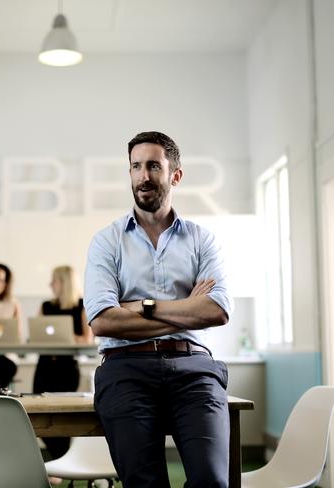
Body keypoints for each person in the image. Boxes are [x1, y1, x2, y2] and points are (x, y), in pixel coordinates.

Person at [84, 131, 233, 488]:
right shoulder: (107, 241)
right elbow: (103, 321)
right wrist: (186, 309)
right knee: (144, 484)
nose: (143, 176)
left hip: (193, 368)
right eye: (135, 166)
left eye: (153, 165)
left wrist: (142, 308)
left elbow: (216, 312)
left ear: (175, 175)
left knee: (213, 481)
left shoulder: (201, 239)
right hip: (125, 370)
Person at [33, 265, 93, 460]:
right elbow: (35, 335)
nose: (50, 284)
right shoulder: (45, 306)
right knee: (37, 414)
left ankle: (62, 461)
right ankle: (61, 459)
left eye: (54, 280)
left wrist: (66, 338)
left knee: (63, 415)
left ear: (64, 283)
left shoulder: (81, 306)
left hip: (66, 368)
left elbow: (87, 339)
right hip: (44, 366)